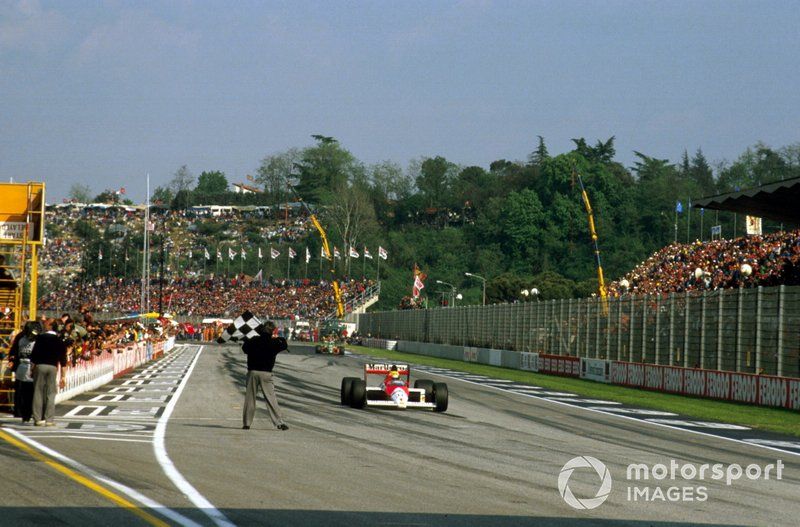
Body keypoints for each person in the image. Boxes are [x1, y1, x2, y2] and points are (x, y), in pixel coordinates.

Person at [241, 321, 289, 431]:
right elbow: (284, 345)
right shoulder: (274, 342)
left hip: (252, 371)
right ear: (272, 331)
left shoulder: (253, 340)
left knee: (250, 398)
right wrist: (281, 339)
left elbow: (244, 349)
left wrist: (252, 337)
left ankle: (247, 423)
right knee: (271, 398)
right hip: (266, 373)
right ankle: (279, 422)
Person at [30, 319, 68, 426]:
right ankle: (49, 420)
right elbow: (63, 360)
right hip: (53, 367)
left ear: (50, 326)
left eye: (46, 323)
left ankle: (37, 419)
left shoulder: (40, 338)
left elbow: (34, 355)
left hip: (40, 366)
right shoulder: (59, 340)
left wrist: (31, 369)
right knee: (51, 393)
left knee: (38, 392)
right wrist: (63, 377)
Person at [8, 321, 42, 423]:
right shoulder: (20, 337)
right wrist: (12, 360)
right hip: (22, 367)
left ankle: (30, 412)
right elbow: (14, 350)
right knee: (21, 391)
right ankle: (21, 412)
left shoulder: (39, 338)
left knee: (32, 392)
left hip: (33, 368)